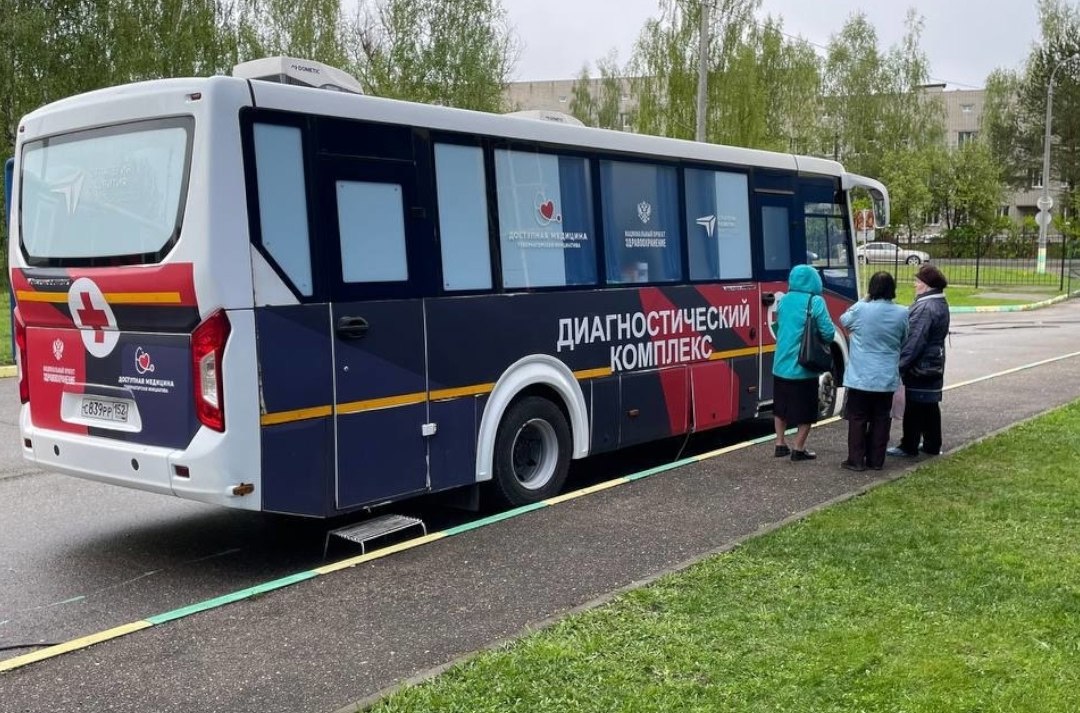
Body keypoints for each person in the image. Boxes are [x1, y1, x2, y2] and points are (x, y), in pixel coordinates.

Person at [838, 272, 909, 471]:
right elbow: (905, 337)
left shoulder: (861, 309)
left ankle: (856, 460)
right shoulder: (902, 312)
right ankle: (877, 460)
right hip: (886, 376)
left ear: (871, 289)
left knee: (858, 418)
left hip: (860, 376)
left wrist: (865, 298)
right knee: (881, 418)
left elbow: (843, 320)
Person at [772, 264, 836, 461]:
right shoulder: (815, 301)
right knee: (806, 410)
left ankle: (780, 444)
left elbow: (778, 327)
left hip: (780, 365)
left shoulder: (784, 300)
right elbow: (828, 332)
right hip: (803, 366)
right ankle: (798, 449)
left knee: (781, 407)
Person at [888, 263, 950, 458]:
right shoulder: (939, 302)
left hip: (920, 366)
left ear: (926, 285)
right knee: (929, 405)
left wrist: (900, 365)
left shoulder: (926, 307)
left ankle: (909, 445)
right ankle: (932, 443)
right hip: (933, 363)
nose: (915, 285)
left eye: (917, 281)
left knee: (914, 405)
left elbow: (914, 340)